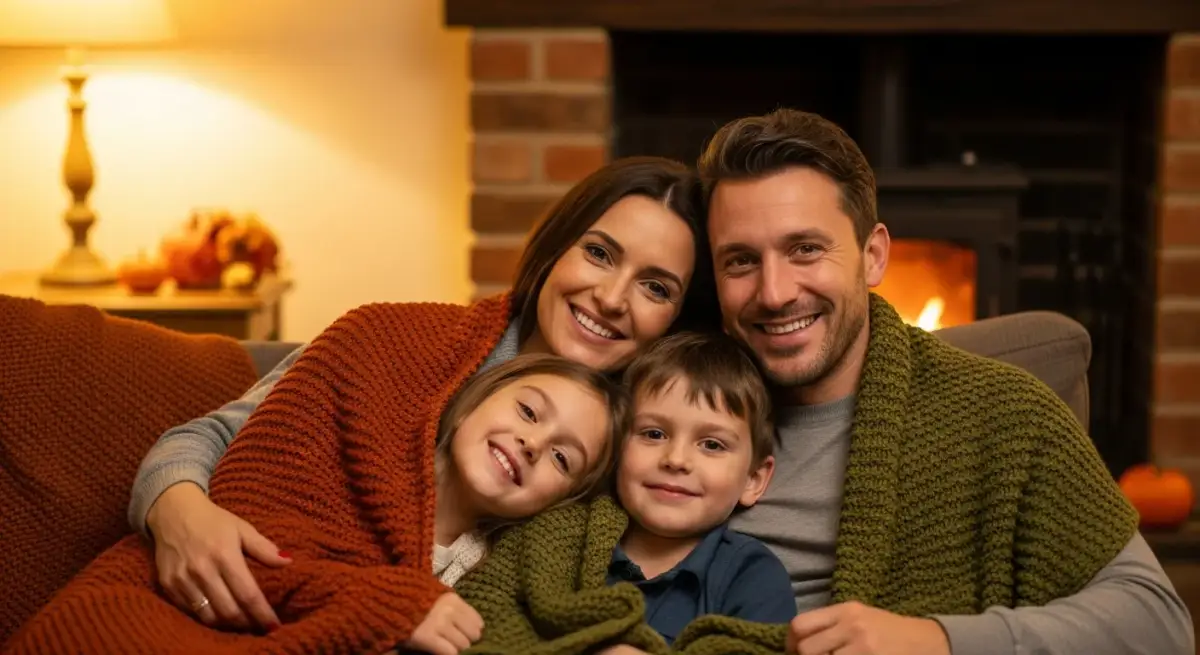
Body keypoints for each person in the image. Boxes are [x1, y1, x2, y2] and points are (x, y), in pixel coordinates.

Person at [126, 155, 717, 633]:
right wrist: (180, 514)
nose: (612, 298)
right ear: (558, 246)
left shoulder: (647, 452)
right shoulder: (394, 340)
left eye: (655, 287)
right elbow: (214, 437)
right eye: (598, 253)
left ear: (676, 320)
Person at [697, 109, 1195, 655]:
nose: (774, 292)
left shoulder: (1004, 415)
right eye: (741, 261)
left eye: (806, 250)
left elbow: (1160, 625)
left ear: (873, 255)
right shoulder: (663, 413)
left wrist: (938, 640)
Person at [452, 331, 796, 654]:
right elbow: (481, 611)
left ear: (753, 479)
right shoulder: (557, 532)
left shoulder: (751, 575)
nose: (676, 460)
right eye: (654, 434)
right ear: (616, 450)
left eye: (712, 444)